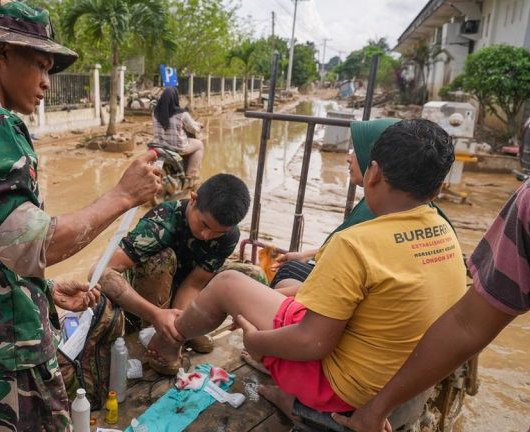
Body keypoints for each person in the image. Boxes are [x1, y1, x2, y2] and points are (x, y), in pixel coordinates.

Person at [0, 2, 160, 430]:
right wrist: (123, 195)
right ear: (2, 52)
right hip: (11, 360)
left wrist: (41, 290)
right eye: (41, 65)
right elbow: (29, 244)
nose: (47, 82)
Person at [146, 119, 467, 418]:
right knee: (283, 295)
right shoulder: (446, 236)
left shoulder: (357, 242)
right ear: (436, 189)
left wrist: (256, 342)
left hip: (340, 389)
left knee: (228, 283)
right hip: (394, 381)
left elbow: (312, 343)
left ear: (374, 173)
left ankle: (165, 344)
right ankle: (291, 398)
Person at [332, 165, 530, 432]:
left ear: (375, 173)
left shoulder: (357, 235)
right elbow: (466, 324)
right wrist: (377, 408)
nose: (348, 159)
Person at [271, 118, 454, 290]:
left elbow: (343, 289)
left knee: (286, 274)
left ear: (375, 166)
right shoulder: (434, 222)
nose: (349, 158)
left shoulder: (377, 213)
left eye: (357, 149)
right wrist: (306, 255)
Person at [97, 173, 251, 373]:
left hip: (183, 293)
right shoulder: (161, 223)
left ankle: (172, 328)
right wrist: (156, 315)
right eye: (204, 224)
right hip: (146, 297)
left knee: (250, 275)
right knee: (161, 258)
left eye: (217, 232)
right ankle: (151, 328)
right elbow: (101, 271)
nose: (206, 235)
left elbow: (194, 284)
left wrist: (180, 328)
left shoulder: (229, 235)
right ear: (193, 199)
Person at [152, 87, 204, 184]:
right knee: (199, 144)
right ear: (175, 98)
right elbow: (192, 128)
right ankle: (190, 176)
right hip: (177, 148)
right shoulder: (182, 114)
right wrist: (199, 126)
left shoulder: (155, 112)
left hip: (159, 147)